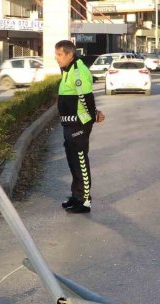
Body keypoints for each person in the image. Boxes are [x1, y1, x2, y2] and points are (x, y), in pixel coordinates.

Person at [54, 40, 105, 214]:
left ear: (69, 54)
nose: (57, 58)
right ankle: (77, 196)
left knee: (80, 161)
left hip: (79, 123)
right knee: (72, 160)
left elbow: (86, 99)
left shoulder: (77, 71)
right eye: (56, 54)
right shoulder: (68, 69)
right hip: (70, 122)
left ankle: (85, 201)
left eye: (60, 54)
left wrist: (93, 115)